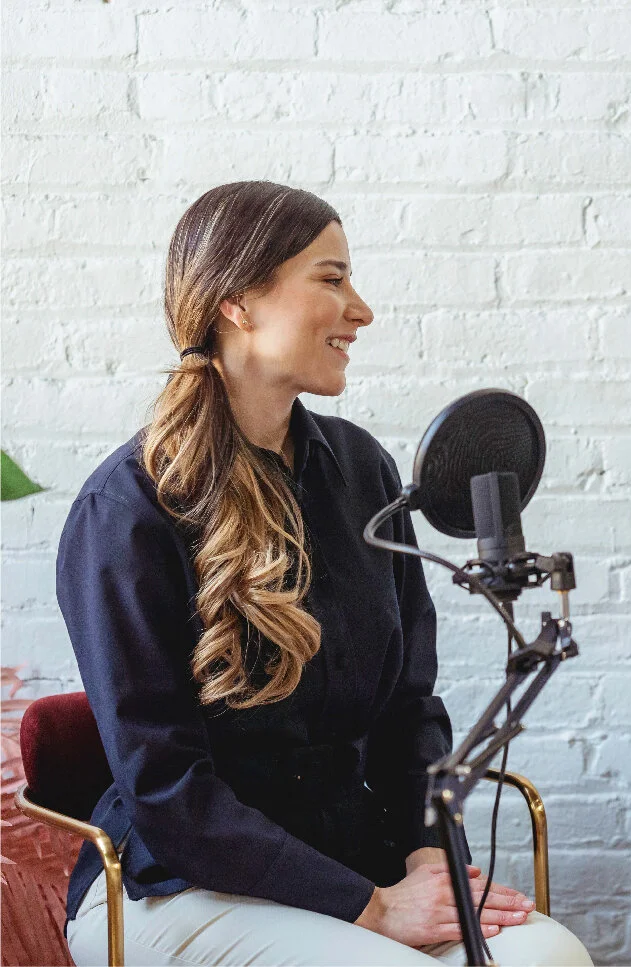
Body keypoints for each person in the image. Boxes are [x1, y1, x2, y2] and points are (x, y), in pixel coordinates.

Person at [57, 181, 592, 967]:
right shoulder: (127, 510)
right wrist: (368, 908)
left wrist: (422, 856)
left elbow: (409, 708)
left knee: (546, 956)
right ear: (238, 300)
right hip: (185, 890)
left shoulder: (362, 472)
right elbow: (166, 787)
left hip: (359, 864)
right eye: (332, 279)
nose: (361, 310)